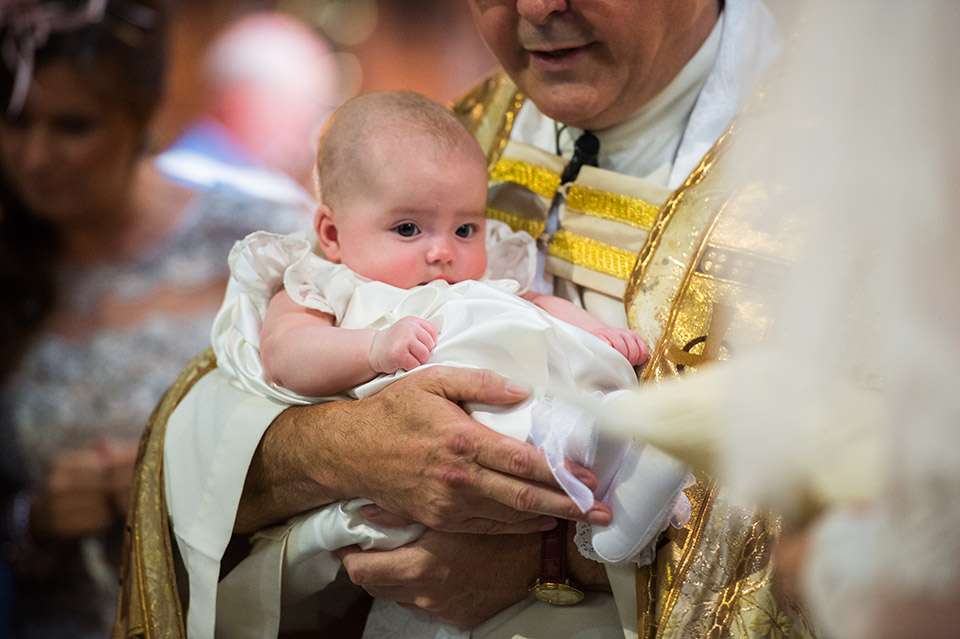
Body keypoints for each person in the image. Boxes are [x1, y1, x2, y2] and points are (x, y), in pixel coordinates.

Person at [139, 0, 818, 638]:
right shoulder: (448, 137)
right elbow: (234, 381)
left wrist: (557, 557)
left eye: (467, 228)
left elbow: (880, 495)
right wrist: (346, 447)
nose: (536, 9)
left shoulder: (850, 165)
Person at [210, 91, 685, 638]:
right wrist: (372, 348)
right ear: (332, 234)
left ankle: (623, 497)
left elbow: (536, 305)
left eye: (465, 229)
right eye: (409, 229)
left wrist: (596, 333)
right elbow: (285, 356)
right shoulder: (321, 283)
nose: (443, 252)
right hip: (435, 449)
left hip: (528, 405)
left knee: (571, 403)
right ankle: (604, 485)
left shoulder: (478, 279)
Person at [0, 0, 308, 636]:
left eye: (72, 126)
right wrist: (36, 518)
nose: (35, 156)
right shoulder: (10, 261)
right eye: (15, 122)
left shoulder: (256, 235)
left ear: (139, 118)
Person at [156, 10, 340, 211]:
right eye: (298, 111)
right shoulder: (269, 203)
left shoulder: (160, 171)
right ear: (238, 100)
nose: (303, 138)